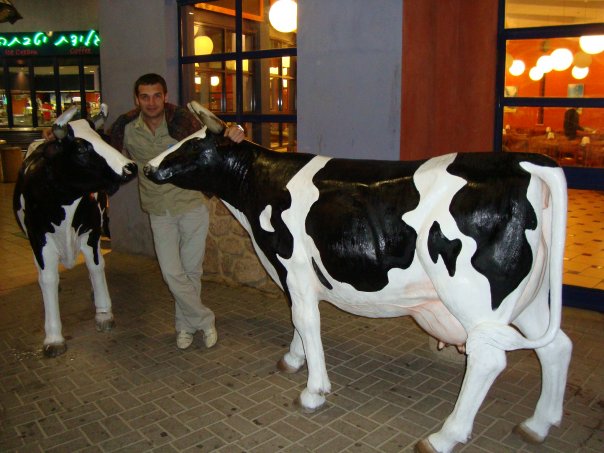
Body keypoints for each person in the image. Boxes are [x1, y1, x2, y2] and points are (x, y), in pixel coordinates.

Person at [108, 73, 245, 350]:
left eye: (156, 96)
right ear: (137, 100)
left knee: (191, 271)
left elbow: (216, 135)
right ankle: (204, 319)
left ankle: (184, 327)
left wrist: (236, 129)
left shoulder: (184, 122)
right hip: (159, 210)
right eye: (145, 97)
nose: (151, 102)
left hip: (191, 204)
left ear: (165, 97)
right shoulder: (126, 128)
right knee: (171, 273)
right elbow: (102, 149)